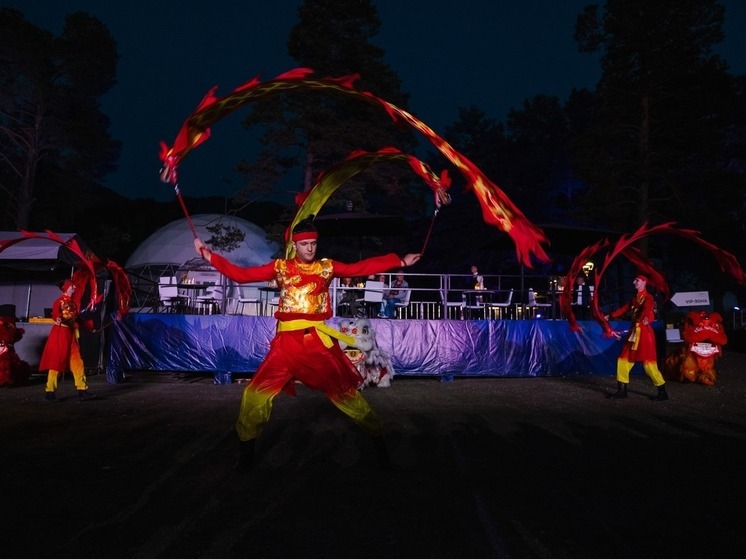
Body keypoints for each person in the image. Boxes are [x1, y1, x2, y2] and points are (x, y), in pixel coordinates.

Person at [194, 216, 421, 470]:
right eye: (305, 244)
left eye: (313, 243)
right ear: (295, 245)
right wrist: (209, 256)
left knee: (346, 396)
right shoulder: (281, 267)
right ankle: (246, 456)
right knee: (254, 394)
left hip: (315, 345)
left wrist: (399, 261)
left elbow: (359, 268)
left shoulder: (326, 268)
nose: (310, 248)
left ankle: (380, 447)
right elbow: (242, 275)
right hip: (286, 346)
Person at [604, 273, 668, 401]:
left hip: (644, 333)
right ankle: (622, 390)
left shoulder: (648, 298)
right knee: (623, 360)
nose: (634, 282)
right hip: (634, 333)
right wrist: (610, 316)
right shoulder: (634, 299)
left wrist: (645, 318)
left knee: (649, 365)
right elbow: (624, 309)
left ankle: (662, 391)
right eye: (634, 280)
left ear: (644, 283)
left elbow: (648, 309)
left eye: (637, 280)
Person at [40, 279, 96, 402]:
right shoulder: (58, 302)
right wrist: (58, 318)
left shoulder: (73, 304)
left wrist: (90, 328)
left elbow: (77, 319)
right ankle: (50, 392)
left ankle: (82, 390)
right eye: (72, 286)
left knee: (78, 362)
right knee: (56, 363)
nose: (74, 288)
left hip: (71, 335)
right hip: (61, 333)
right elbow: (55, 314)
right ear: (66, 288)